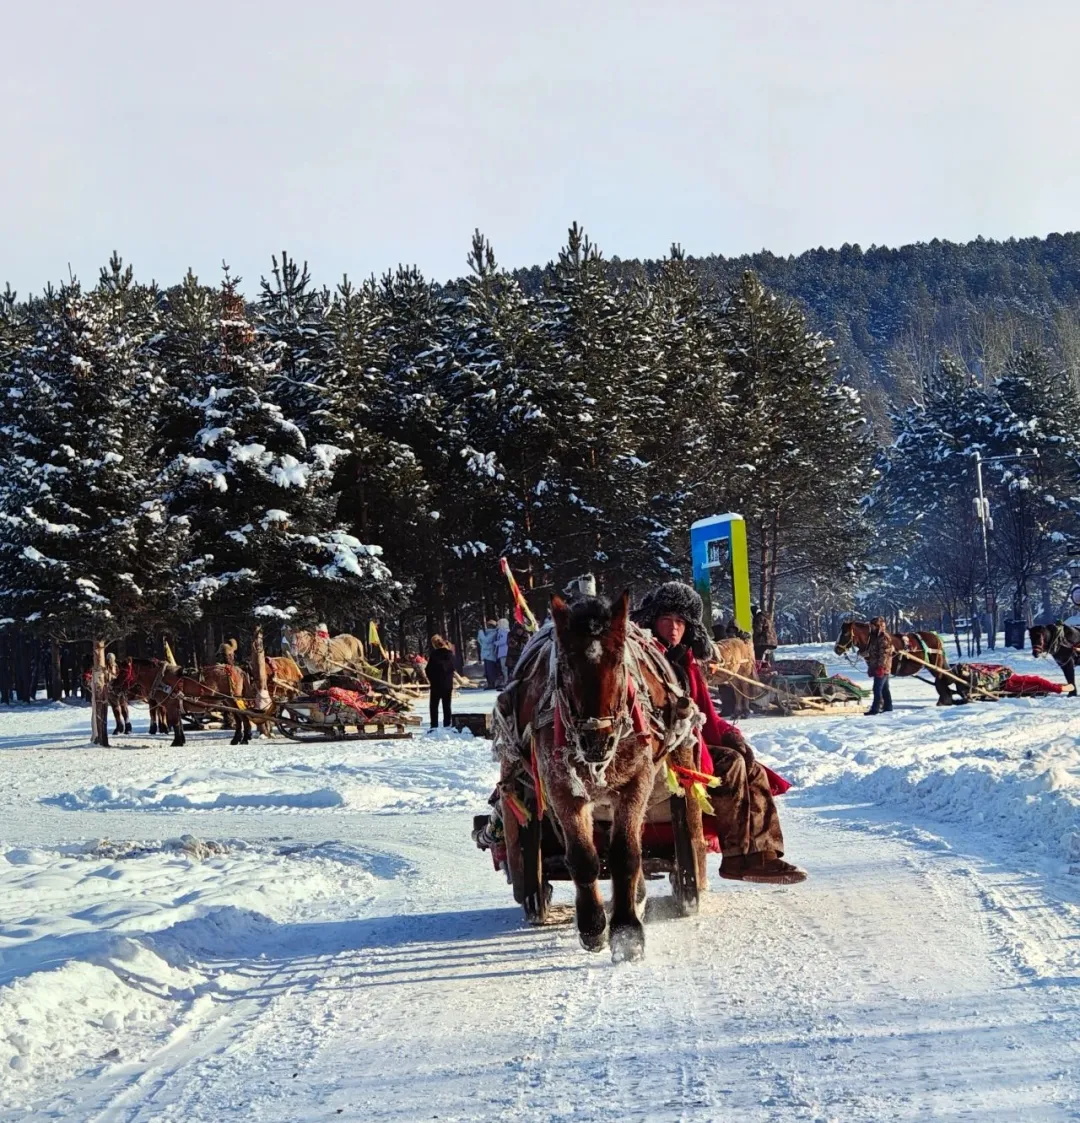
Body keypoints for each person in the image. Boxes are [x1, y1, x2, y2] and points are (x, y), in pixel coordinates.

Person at [634, 581, 806, 884]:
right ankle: (737, 856)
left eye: (680, 621)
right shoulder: (644, 659)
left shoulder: (685, 658)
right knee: (731, 765)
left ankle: (760, 855)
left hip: (688, 740)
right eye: (666, 620)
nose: (673, 628)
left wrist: (729, 734)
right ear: (653, 621)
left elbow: (705, 712)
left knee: (752, 769)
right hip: (656, 751)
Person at [426, 635, 456, 729]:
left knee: (434, 706)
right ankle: (447, 724)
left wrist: (431, 679)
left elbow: (428, 669)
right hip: (447, 683)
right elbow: (452, 668)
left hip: (436, 684)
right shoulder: (450, 654)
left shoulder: (434, 655)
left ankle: (434, 725)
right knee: (447, 705)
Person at [865, 616, 894, 715]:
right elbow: (873, 652)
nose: (871, 628)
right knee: (885, 688)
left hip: (882, 668)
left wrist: (881, 667)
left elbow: (885, 653)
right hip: (877, 667)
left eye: (873, 626)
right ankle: (888, 707)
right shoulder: (874, 637)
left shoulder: (883, 637)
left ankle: (875, 709)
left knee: (877, 688)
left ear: (878, 626)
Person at [477, 619, 501, 688]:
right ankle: (489, 684)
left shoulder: (494, 633)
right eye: (488, 625)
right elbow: (481, 642)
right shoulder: (487, 633)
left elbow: (485, 641)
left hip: (490, 655)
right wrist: (480, 635)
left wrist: (480, 632)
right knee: (487, 671)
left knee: (491, 671)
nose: (488, 626)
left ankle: (492, 684)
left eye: (490, 625)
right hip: (486, 654)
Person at [495, 618, 510, 686]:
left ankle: (506, 681)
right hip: (503, 652)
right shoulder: (501, 631)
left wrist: (496, 643)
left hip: (504, 652)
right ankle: (506, 680)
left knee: (504, 667)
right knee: (503, 667)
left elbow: (503, 641)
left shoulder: (504, 632)